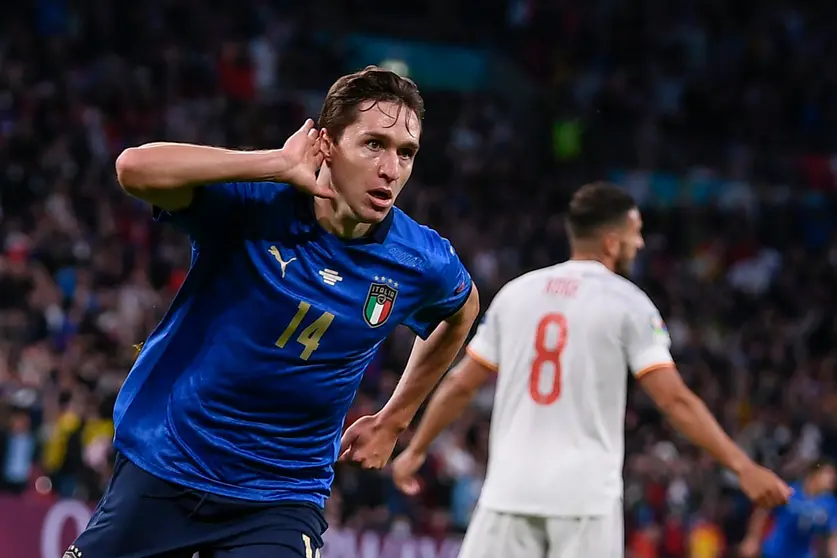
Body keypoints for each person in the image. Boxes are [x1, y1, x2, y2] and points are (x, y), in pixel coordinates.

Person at [66, 66, 479, 558]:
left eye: (405, 153)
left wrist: (394, 420)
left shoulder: (418, 259)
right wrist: (274, 163)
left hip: (281, 497)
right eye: (373, 144)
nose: (391, 169)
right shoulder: (256, 200)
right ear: (325, 145)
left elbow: (462, 309)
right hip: (170, 463)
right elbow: (133, 168)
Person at [391, 182, 790, 558]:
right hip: (585, 499)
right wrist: (743, 467)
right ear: (612, 242)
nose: (641, 242)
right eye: (636, 232)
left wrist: (416, 450)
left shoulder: (517, 293)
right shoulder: (629, 303)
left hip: (511, 490)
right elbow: (674, 399)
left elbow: (461, 384)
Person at [740, 460, 837, 558]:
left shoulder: (830, 504)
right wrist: (752, 538)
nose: (832, 479)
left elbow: (832, 533)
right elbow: (763, 511)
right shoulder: (789, 491)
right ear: (814, 473)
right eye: (828, 473)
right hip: (776, 551)